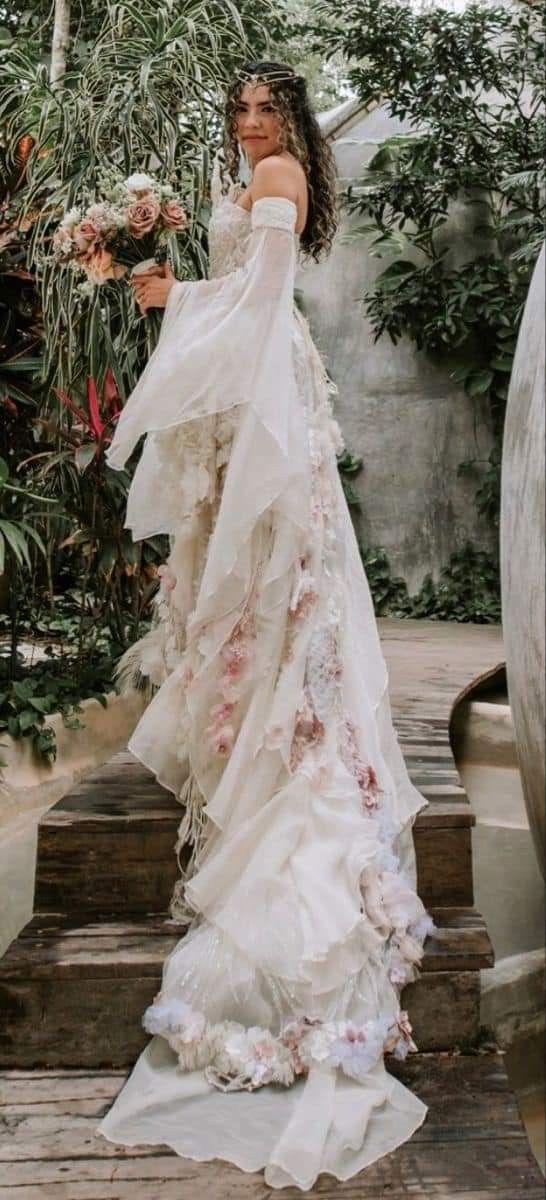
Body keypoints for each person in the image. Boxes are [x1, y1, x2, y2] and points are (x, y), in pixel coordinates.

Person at [96, 60, 435, 1191]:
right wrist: (172, 275)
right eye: (240, 111)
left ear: (291, 125)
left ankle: (280, 746)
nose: (251, 126)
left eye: (265, 110)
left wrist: (168, 301)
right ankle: (254, 721)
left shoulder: (280, 176)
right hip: (254, 389)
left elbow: (258, 300)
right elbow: (241, 290)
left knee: (276, 569)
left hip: (267, 390)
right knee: (253, 575)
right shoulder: (255, 178)